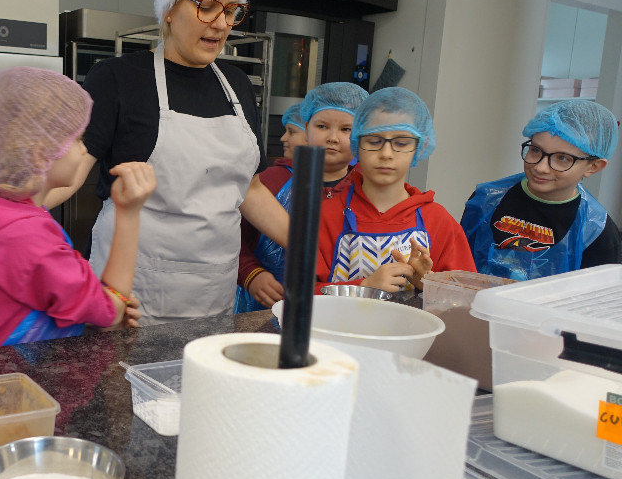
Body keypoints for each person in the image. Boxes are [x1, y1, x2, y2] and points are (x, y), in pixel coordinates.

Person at [47, 0, 291, 325]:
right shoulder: (118, 79)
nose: (221, 24)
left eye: (232, 11)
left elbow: (250, 188)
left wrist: (310, 244)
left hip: (213, 288)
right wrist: (0, 213)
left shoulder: (236, 84)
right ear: (170, 9)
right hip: (133, 289)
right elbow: (71, 169)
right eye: (206, 7)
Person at [0, 67, 156, 354]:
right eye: (77, 139)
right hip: (9, 380)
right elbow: (111, 310)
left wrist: (96, 310)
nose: (84, 150)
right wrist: (128, 212)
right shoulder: (27, 236)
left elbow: (42, 298)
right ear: (40, 152)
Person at [316, 87, 476, 293]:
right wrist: (363, 286)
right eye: (374, 141)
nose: (386, 153)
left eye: (401, 143)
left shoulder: (439, 222)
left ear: (419, 147)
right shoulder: (324, 218)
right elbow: (297, 295)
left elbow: (465, 298)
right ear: (356, 143)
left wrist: (427, 284)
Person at [236, 84, 368, 311]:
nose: (333, 138)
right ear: (307, 128)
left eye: (346, 129)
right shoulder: (270, 182)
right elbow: (231, 234)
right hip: (263, 308)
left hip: (342, 308)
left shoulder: (366, 189)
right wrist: (251, 273)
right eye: (322, 126)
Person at [460, 99, 620, 279]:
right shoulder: (486, 200)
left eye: (562, 158)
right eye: (536, 150)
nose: (541, 167)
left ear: (594, 166)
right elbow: (456, 268)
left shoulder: (596, 230)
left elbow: (599, 293)